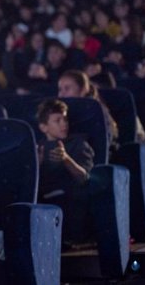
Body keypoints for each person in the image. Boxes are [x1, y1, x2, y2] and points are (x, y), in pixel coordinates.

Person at [36, 99, 94, 243]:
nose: (64, 124)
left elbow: (84, 178)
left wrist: (66, 159)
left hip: (69, 197)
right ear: (44, 127)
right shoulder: (37, 148)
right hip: (44, 198)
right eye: (57, 120)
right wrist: (37, 165)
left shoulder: (78, 144)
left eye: (65, 119)